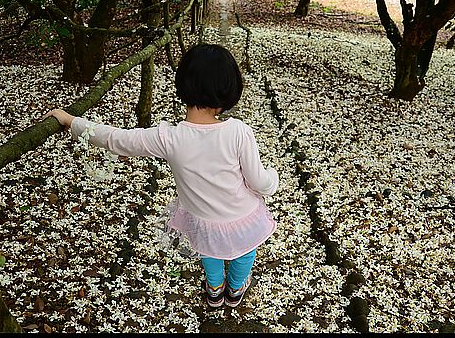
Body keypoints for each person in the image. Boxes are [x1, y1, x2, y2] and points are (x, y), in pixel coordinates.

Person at [44, 44, 279, 309]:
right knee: (245, 251)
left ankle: (214, 289)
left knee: (209, 249)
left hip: (203, 217)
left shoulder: (169, 137)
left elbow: (116, 138)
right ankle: (235, 289)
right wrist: (273, 178)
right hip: (241, 215)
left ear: (183, 84)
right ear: (228, 88)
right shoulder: (238, 132)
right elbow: (258, 182)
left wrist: (71, 121)